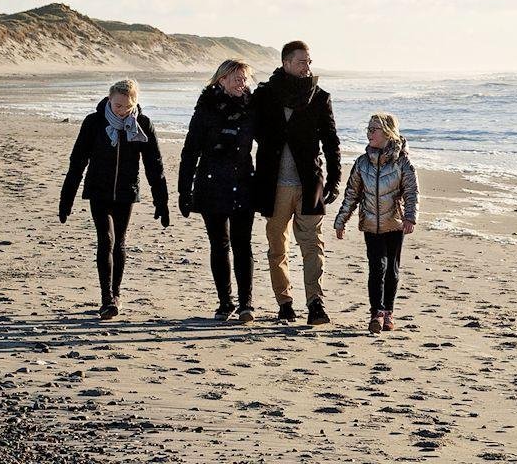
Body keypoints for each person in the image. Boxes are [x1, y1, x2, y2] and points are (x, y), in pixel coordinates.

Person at [59, 79, 170, 320]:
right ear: (109, 99)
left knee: (119, 241)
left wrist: (162, 201)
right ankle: (106, 297)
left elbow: (155, 166)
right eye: (117, 105)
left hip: (126, 192)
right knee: (105, 239)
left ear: (134, 103)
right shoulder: (94, 122)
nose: (121, 110)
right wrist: (66, 199)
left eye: (126, 107)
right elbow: (77, 162)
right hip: (98, 191)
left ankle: (115, 295)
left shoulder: (142, 125)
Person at [250, 41, 341, 325]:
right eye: (302, 62)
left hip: (308, 184)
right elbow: (248, 132)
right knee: (277, 248)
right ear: (287, 62)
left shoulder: (319, 97)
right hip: (274, 185)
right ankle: (284, 303)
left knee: (312, 246)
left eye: (309, 62)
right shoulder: (264, 95)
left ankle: (316, 303)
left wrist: (335, 180)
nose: (307, 67)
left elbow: (331, 142)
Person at [179, 59, 259, 322]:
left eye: (245, 78)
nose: (241, 83)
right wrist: (184, 191)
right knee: (219, 245)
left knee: (242, 244)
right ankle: (225, 302)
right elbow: (190, 151)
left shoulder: (252, 109)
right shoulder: (205, 110)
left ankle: (246, 303)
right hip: (211, 184)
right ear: (221, 80)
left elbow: (271, 144)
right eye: (236, 78)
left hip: (243, 183)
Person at [334, 113, 419, 333]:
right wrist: (341, 220)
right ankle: (376, 313)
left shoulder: (402, 162)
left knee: (391, 268)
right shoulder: (363, 163)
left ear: (388, 133)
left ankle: (388, 312)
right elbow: (351, 194)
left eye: (375, 129)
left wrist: (410, 217)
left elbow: (411, 192)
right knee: (376, 267)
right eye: (368, 129)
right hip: (371, 223)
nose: (370, 133)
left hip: (395, 222)